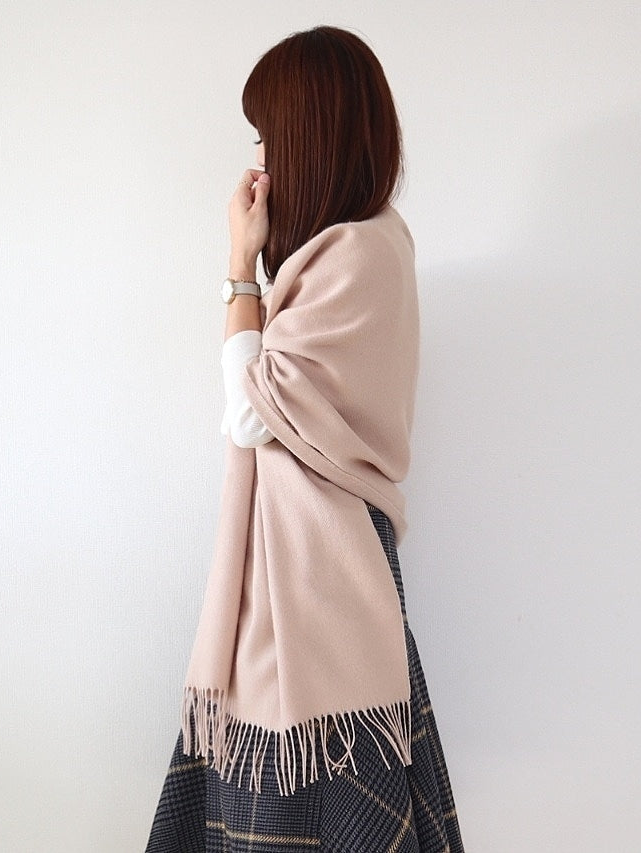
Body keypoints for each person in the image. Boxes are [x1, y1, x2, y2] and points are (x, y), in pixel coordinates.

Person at [146, 26, 464, 853]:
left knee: (296, 800)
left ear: (306, 135)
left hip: (318, 570)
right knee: (307, 793)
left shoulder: (355, 253)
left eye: (265, 137)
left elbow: (251, 412)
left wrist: (238, 267)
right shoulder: (363, 245)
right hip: (322, 560)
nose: (257, 161)